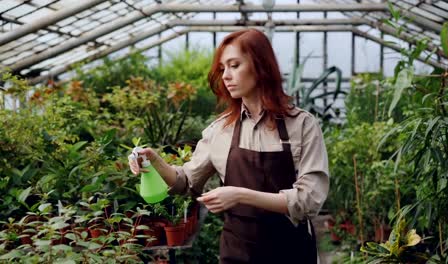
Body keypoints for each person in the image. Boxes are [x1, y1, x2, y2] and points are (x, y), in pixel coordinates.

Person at [129, 28, 329, 264]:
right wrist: (156, 161)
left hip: (290, 253)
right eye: (223, 68)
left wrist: (240, 195)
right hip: (238, 254)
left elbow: (308, 200)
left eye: (235, 65)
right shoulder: (221, 130)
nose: (225, 76)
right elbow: (187, 182)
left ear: (260, 66)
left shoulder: (302, 125)